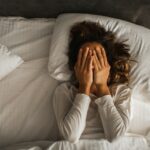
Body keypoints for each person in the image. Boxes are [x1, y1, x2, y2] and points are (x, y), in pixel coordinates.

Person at [52, 21, 134, 144]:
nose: (91, 61)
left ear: (108, 65)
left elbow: (116, 137)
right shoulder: (64, 91)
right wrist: (84, 87)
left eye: (98, 56)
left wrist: (102, 87)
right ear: (76, 66)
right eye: (85, 58)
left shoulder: (121, 92)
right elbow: (71, 136)